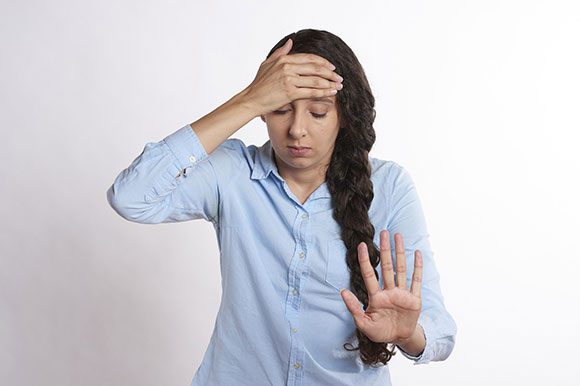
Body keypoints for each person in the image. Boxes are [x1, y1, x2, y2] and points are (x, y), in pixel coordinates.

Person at [107, 29, 457, 386]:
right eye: (279, 109)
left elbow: (439, 330)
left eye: (318, 113)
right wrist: (247, 100)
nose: (297, 130)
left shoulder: (389, 186)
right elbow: (131, 196)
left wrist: (406, 334)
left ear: (345, 117)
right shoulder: (232, 172)